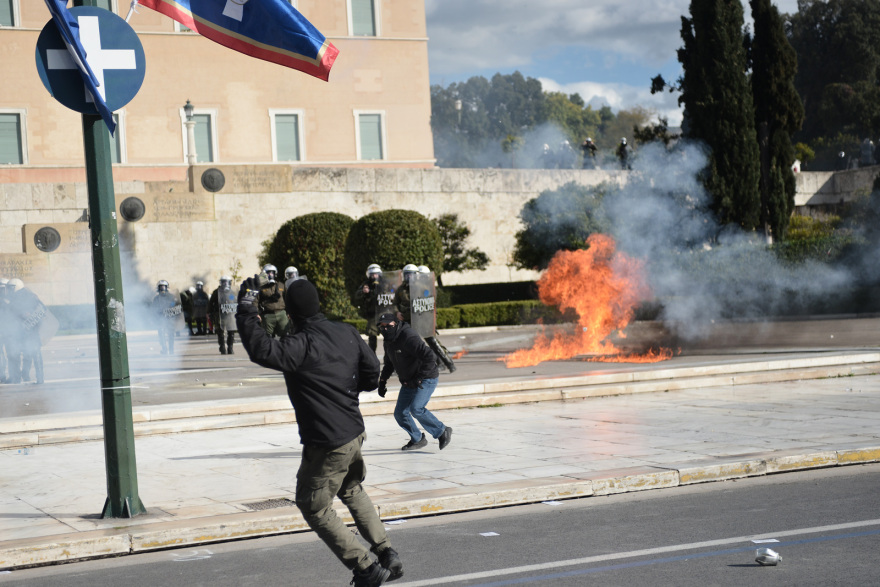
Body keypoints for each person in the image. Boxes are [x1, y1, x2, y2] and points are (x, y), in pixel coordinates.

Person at [236, 278, 402, 587]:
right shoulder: (346, 332)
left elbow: (261, 349)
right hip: (354, 431)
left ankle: (365, 567)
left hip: (327, 442)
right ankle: (386, 552)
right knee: (351, 488)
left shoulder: (299, 346)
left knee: (313, 505)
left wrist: (245, 311)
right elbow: (370, 374)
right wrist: (346, 388)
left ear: (292, 314)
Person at [377, 312, 452, 452]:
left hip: (426, 377)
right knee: (400, 413)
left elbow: (430, 356)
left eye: (389, 326)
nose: (385, 329)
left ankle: (442, 431)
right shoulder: (388, 341)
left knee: (416, 408)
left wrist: (419, 377)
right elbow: (389, 363)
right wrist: (382, 381)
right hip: (408, 381)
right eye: (382, 327)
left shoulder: (408, 336)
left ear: (396, 324)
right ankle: (417, 439)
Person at [415, 266, 456, 373]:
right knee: (426, 343)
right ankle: (440, 363)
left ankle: (449, 363)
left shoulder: (429, 288)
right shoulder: (415, 287)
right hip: (418, 319)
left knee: (434, 343)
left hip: (427, 319)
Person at [6, 279, 47, 384]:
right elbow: (42, 309)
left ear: (16, 287)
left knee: (19, 354)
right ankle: (40, 378)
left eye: (11, 288)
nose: (9, 290)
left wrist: (28, 318)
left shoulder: (16, 299)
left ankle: (18, 377)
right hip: (32, 330)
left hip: (23, 331)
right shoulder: (31, 295)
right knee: (34, 353)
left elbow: (14, 313)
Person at [354, 263, 384, 352]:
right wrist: (364, 291)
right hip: (372, 314)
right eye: (372, 274)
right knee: (372, 335)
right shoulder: (366, 284)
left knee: (388, 337)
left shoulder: (384, 283)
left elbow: (392, 292)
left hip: (384, 312)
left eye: (376, 274)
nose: (374, 276)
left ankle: (389, 358)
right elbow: (357, 296)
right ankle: (372, 356)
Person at [258, 264, 289, 338]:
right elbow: (256, 301)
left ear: (275, 274)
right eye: (268, 272)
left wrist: (289, 312)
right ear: (265, 274)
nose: (270, 274)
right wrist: (257, 313)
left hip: (281, 313)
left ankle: (283, 349)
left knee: (285, 335)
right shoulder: (261, 287)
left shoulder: (281, 285)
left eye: (272, 272)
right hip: (268, 315)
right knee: (268, 337)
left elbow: (287, 299)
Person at [209, 276, 237, 355]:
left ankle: (230, 347)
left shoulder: (232, 292)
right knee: (220, 332)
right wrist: (210, 313)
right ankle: (222, 347)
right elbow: (211, 303)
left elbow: (235, 301)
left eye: (227, 282)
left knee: (231, 331)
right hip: (219, 314)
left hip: (230, 314)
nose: (225, 284)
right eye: (223, 282)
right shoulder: (216, 292)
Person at [152, 280, 179, 355]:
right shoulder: (156, 298)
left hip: (170, 319)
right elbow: (153, 310)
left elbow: (176, 308)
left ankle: (171, 349)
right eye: (161, 287)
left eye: (164, 287)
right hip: (161, 320)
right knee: (161, 335)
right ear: (158, 288)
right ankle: (164, 348)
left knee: (171, 335)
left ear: (167, 287)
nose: (162, 289)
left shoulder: (172, 297)